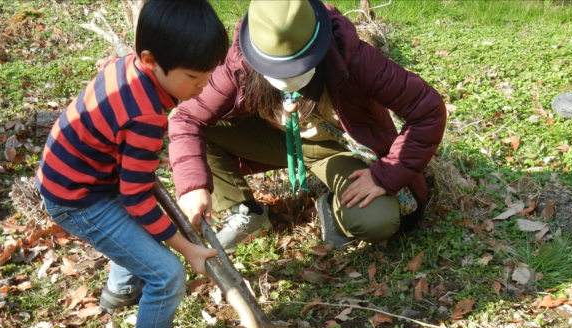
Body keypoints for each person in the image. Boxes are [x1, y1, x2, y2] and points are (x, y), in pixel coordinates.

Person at [35, 0, 229, 328]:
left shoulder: (128, 67)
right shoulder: (144, 115)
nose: (203, 87)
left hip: (84, 177)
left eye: (209, 75)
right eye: (194, 76)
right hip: (79, 198)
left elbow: (133, 185)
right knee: (166, 273)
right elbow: (137, 198)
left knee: (136, 239)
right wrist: (186, 250)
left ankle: (121, 289)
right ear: (150, 59)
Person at [168, 0, 446, 254]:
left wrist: (385, 174)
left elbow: (428, 110)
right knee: (203, 133)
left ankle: (332, 206)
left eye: (298, 67)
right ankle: (246, 210)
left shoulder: (353, 57)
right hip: (278, 139)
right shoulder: (241, 62)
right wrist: (191, 185)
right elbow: (188, 119)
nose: (287, 79)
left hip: (338, 149)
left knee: (377, 222)